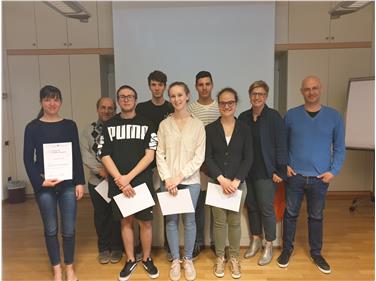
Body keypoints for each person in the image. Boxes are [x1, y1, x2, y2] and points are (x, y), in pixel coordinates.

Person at [276, 76, 345, 274]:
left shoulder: (334, 116)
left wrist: (333, 171)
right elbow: (283, 145)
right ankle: (287, 250)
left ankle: (316, 253)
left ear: (320, 89)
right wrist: (285, 165)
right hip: (295, 176)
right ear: (301, 91)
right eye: (307, 89)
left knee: (316, 216)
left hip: (319, 179)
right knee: (290, 215)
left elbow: (339, 147)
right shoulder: (291, 115)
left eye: (314, 88)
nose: (311, 92)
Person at [23, 85, 85, 281]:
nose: (52, 103)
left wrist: (79, 182)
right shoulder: (32, 127)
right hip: (45, 185)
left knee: (69, 229)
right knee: (50, 229)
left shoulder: (70, 125)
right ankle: (57, 269)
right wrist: (40, 182)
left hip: (67, 184)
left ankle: (69, 268)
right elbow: (27, 159)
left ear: (61, 102)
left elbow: (76, 155)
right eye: (48, 99)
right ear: (41, 102)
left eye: (56, 99)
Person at [99, 85, 159, 281]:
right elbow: (104, 154)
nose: (126, 99)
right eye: (122, 97)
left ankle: (147, 258)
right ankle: (131, 259)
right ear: (118, 100)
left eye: (130, 96)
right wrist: (120, 180)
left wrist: (128, 178)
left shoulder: (147, 124)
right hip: (119, 183)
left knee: (146, 223)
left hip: (141, 181)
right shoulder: (108, 126)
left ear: (135, 99)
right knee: (125, 221)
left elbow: (150, 156)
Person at [156, 82, 205, 281]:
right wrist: (168, 179)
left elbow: (199, 157)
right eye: (173, 96)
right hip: (167, 182)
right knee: (171, 221)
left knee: (190, 221)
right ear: (170, 99)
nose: (176, 99)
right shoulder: (164, 125)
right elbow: (159, 153)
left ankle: (188, 259)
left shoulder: (198, 125)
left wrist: (179, 177)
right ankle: (176, 260)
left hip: (190, 181)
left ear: (187, 96)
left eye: (180, 95)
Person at [238, 80, 287, 266]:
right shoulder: (243, 117)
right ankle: (256, 240)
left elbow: (282, 145)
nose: (257, 97)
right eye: (254, 94)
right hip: (247, 172)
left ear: (266, 96)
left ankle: (269, 244)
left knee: (266, 208)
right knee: (251, 207)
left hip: (267, 172)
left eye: (261, 94)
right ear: (250, 96)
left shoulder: (274, 117)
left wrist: (280, 170)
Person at [205, 88, 253, 279]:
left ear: (235, 103)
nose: (226, 106)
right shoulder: (209, 129)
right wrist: (222, 180)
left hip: (238, 184)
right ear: (218, 104)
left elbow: (248, 158)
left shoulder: (244, 128)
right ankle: (220, 257)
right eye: (223, 103)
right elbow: (207, 158)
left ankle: (233, 257)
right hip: (217, 184)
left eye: (230, 102)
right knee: (218, 223)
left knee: (234, 222)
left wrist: (235, 181)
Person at [135, 70, 173, 261]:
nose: (157, 88)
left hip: (166, 164)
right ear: (149, 86)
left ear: (165, 86)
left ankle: (168, 245)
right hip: (147, 164)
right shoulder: (141, 108)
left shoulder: (171, 107)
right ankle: (141, 246)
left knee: (167, 206)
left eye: (160, 84)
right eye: (153, 84)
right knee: (143, 206)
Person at [80, 97, 123, 264]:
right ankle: (104, 248)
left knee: (117, 216)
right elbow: (85, 154)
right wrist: (101, 171)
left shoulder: (119, 128)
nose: (107, 111)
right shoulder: (88, 131)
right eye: (103, 107)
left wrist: (115, 173)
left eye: (110, 108)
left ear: (115, 109)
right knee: (101, 216)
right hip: (97, 183)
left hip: (118, 181)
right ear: (97, 109)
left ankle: (117, 248)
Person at [187, 70, 220, 258]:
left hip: (215, 166)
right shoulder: (190, 109)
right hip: (197, 167)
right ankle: (198, 242)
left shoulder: (220, 107)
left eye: (207, 84)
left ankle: (216, 242)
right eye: (201, 84)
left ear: (212, 85)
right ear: (196, 86)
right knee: (198, 207)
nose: (204, 87)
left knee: (216, 207)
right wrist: (198, 163)